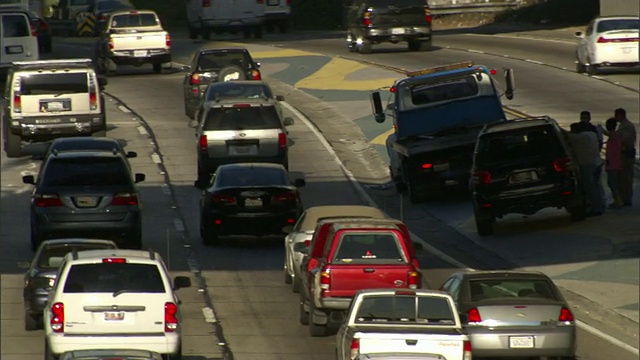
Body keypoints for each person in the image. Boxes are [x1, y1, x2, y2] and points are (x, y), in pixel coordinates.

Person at [567, 122, 605, 216]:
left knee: (590, 188)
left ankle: (596, 208)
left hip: (587, 165)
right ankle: (600, 205)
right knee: (596, 186)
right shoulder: (592, 135)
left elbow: (566, 135)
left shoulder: (580, 137)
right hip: (597, 163)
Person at [613, 108, 637, 206]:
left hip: (626, 155)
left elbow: (626, 141)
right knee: (623, 178)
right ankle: (624, 197)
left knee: (625, 178)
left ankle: (626, 198)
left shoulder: (627, 126)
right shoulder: (623, 126)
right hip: (624, 154)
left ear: (620, 115)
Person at [600, 118, 624, 208]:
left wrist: (600, 129)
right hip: (613, 162)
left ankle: (618, 200)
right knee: (613, 182)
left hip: (614, 163)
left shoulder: (615, 135)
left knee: (612, 182)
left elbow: (606, 133)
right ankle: (617, 200)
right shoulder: (614, 136)